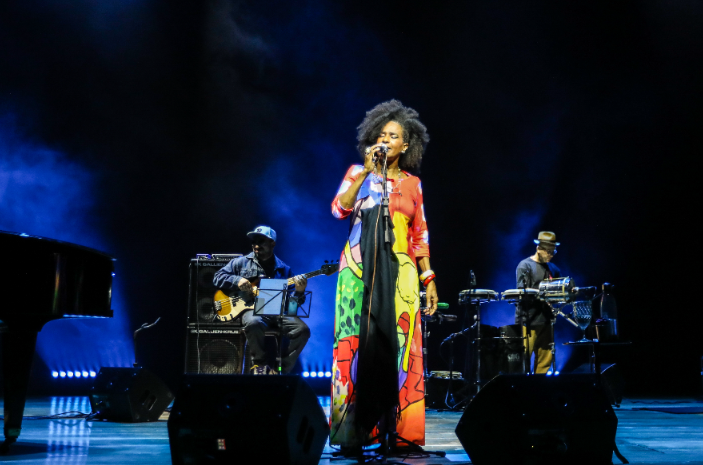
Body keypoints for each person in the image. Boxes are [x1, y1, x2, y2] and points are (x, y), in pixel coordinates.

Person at [330, 100, 438, 449]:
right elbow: (338, 209)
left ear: (405, 145)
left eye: (393, 136)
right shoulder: (356, 173)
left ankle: (399, 431)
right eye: (381, 135)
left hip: (401, 274)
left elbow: (419, 236)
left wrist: (428, 278)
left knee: (400, 347)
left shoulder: (412, 184)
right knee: (357, 345)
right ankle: (354, 431)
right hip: (357, 271)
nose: (386, 140)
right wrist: (364, 173)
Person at [213, 225, 309, 374]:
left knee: (303, 330)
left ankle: (281, 370)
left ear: (272, 243)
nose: (256, 245)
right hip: (252, 310)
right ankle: (260, 365)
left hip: (278, 312)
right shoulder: (241, 262)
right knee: (254, 322)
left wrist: (299, 292)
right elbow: (217, 277)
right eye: (254, 242)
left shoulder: (284, 269)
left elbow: (292, 309)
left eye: (261, 241)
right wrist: (237, 280)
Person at [515, 231, 562, 374]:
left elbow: (560, 290)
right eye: (548, 251)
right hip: (528, 321)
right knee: (523, 358)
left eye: (553, 251)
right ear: (538, 248)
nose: (551, 255)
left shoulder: (553, 269)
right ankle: (522, 385)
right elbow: (522, 293)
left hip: (546, 321)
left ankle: (539, 385)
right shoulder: (525, 266)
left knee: (545, 361)